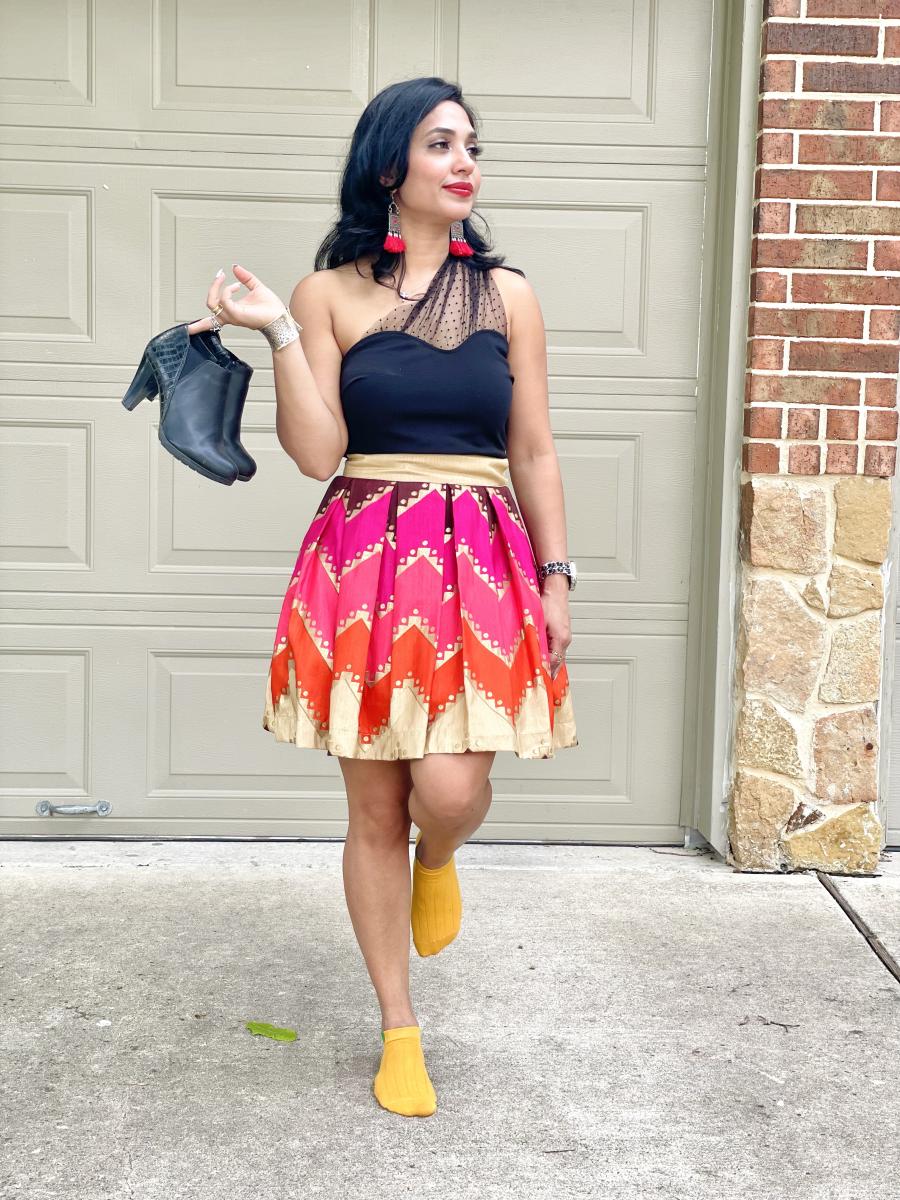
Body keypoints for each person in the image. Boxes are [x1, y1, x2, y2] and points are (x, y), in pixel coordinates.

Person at [187, 77, 578, 1119]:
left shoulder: (508, 295)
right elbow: (319, 452)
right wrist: (278, 331)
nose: (465, 162)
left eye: (471, 145)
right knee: (372, 808)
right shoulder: (328, 294)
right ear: (388, 165)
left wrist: (556, 574)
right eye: (440, 143)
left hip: (483, 557)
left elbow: (534, 447)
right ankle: (399, 1029)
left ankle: (438, 857)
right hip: (364, 559)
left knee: (444, 792)